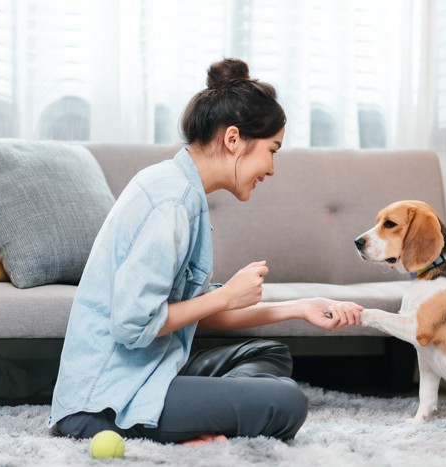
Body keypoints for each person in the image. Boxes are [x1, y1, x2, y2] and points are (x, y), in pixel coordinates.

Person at [48, 57, 363, 445]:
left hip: (153, 367)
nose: (272, 168)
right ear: (234, 140)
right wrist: (228, 294)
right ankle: (178, 425)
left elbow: (197, 314)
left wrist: (300, 307)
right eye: (273, 150)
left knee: (271, 353)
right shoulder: (171, 203)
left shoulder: (181, 189)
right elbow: (131, 325)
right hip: (107, 401)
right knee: (286, 402)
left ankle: (197, 416)